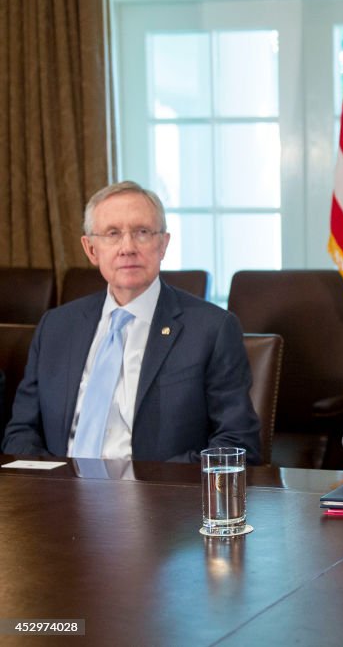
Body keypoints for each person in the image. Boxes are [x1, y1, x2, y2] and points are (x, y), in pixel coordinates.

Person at [2, 181, 261, 463]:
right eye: (112, 233)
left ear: (163, 244)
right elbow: (21, 432)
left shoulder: (212, 329)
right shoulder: (56, 327)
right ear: (91, 249)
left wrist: (152, 485)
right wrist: (55, 486)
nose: (127, 247)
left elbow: (238, 444)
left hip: (156, 500)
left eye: (142, 232)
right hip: (60, 498)